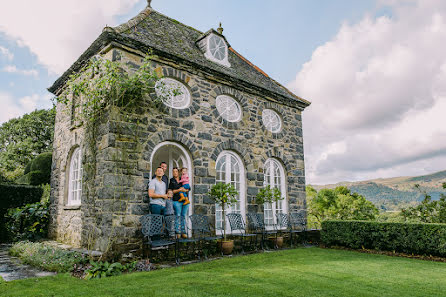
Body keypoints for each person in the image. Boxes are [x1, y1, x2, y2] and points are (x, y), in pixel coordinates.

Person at [169, 167, 190, 238]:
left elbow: (188, 188)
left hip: (185, 201)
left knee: (183, 216)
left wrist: (185, 190)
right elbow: (172, 191)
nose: (175, 173)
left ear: (178, 172)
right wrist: (179, 190)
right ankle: (178, 232)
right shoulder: (172, 180)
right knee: (177, 216)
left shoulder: (182, 179)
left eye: (176, 171)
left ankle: (183, 232)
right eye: (173, 172)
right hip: (176, 201)